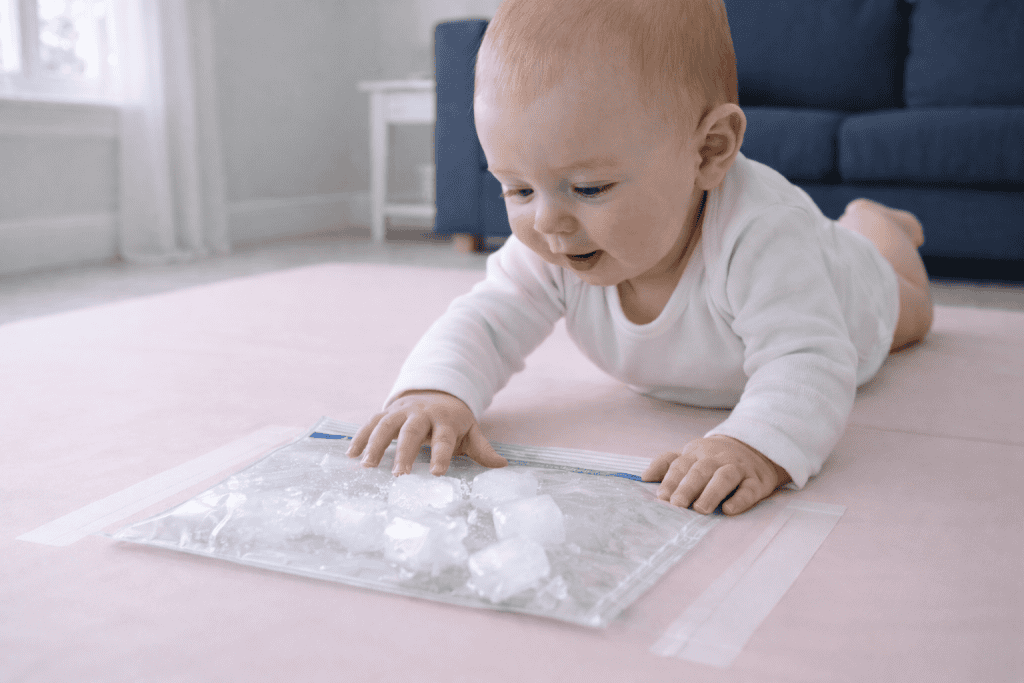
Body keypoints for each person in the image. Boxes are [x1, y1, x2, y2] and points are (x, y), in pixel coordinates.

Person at [347, 0, 934, 516]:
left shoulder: (761, 233)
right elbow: (486, 318)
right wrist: (435, 391)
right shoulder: (555, 241)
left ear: (708, 151)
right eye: (518, 189)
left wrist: (754, 444)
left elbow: (810, 359)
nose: (547, 221)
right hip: (788, 287)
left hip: (853, 297)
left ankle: (880, 226)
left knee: (908, 312)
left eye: (590, 188)